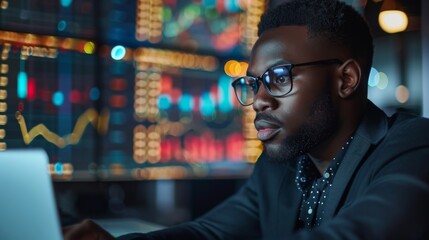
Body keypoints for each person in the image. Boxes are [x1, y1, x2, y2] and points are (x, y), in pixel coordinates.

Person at [63, 0, 429, 239]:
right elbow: (211, 232)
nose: (259, 100)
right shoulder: (277, 167)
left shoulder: (413, 147)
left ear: (346, 79)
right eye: (253, 83)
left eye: (279, 78)